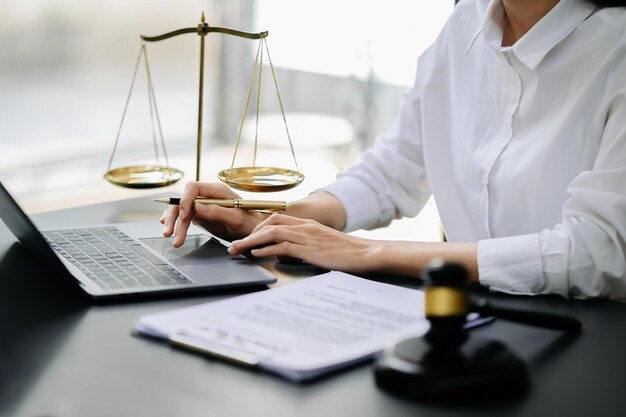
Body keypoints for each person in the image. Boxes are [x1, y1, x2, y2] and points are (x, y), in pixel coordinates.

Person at [162, 0, 626, 299]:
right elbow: (391, 172)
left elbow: (600, 251)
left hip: (591, 341)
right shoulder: (464, 26)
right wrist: (274, 218)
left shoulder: (616, 50)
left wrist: (367, 252)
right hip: (467, 317)